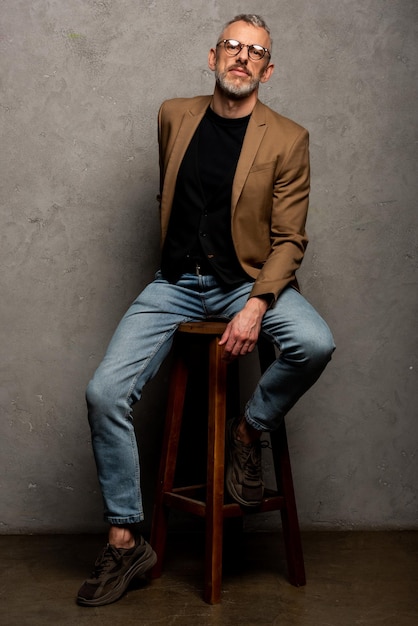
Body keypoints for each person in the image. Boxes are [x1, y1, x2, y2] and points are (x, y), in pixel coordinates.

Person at [76, 14, 335, 607]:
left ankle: (249, 430)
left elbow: (290, 240)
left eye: (255, 52)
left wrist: (256, 303)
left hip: (243, 282)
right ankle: (125, 538)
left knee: (314, 342)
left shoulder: (288, 139)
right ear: (213, 57)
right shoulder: (174, 115)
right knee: (103, 393)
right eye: (232, 46)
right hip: (173, 284)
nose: (242, 57)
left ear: (268, 70)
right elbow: (172, 197)